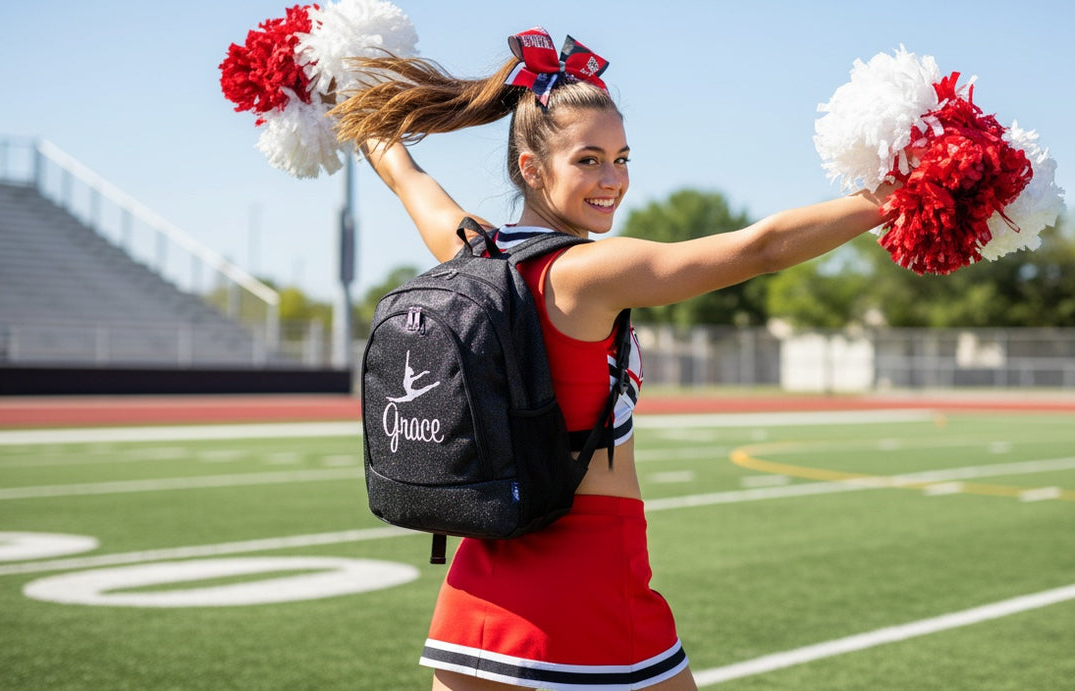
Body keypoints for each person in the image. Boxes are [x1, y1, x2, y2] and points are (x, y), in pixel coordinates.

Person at [332, 26, 894, 691]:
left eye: (622, 158)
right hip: (587, 581)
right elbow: (760, 249)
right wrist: (894, 196)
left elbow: (404, 175)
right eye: (589, 160)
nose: (612, 180)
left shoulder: (470, 249)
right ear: (531, 168)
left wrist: (333, 86)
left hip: (476, 596)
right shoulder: (588, 271)